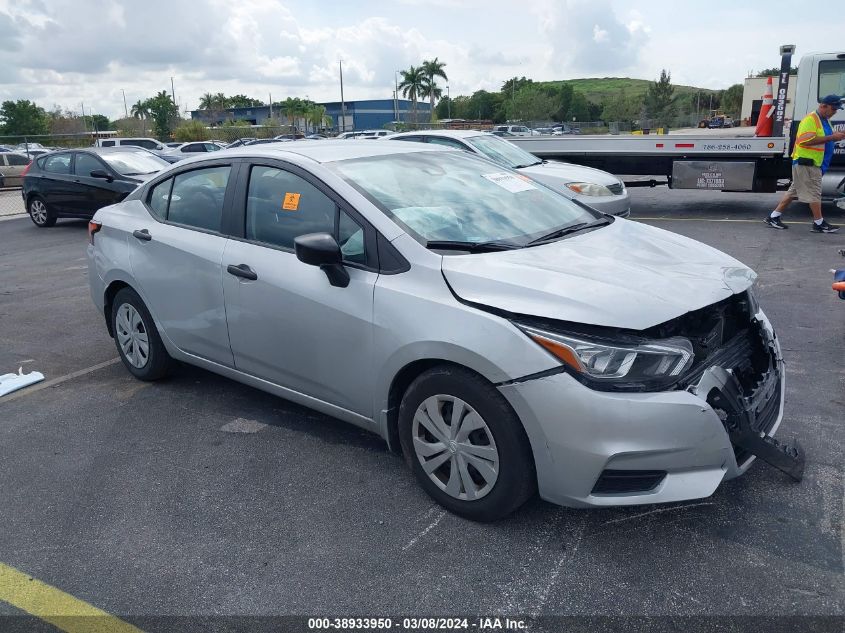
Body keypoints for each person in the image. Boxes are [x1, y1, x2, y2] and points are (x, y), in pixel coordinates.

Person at [765, 94, 845, 233]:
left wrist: (837, 136)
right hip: (807, 163)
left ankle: (774, 216)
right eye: (833, 109)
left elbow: (824, 138)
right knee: (814, 193)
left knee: (793, 191)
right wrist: (832, 137)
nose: (835, 112)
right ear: (823, 106)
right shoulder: (810, 120)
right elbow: (805, 141)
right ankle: (819, 223)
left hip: (812, 163)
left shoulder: (824, 120)